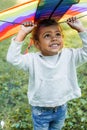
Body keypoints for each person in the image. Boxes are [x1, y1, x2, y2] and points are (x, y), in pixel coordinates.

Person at [6, 17, 87, 130]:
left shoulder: (69, 56)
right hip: (41, 110)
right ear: (37, 44)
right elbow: (12, 58)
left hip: (61, 107)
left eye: (58, 34)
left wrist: (81, 29)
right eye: (47, 35)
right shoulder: (33, 60)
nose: (54, 38)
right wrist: (22, 33)